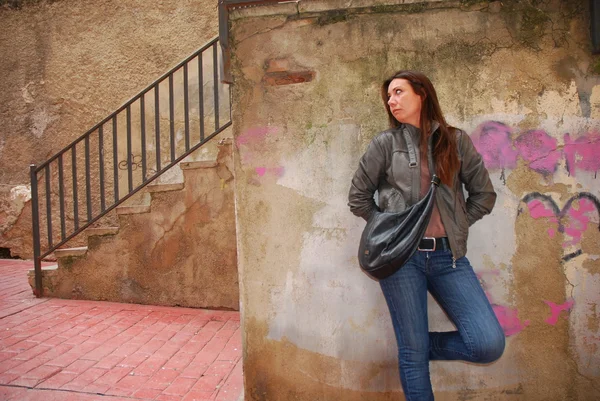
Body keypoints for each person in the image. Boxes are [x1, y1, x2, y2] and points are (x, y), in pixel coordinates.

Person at [348, 70, 505, 401]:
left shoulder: (456, 141)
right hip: (401, 260)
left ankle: (420, 344)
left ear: (422, 94)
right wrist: (389, 231)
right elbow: (358, 198)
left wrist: (457, 223)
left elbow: (484, 196)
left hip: (449, 257)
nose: (391, 100)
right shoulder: (385, 144)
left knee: (487, 343)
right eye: (388, 96)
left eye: (399, 92)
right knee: (413, 358)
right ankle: (414, 347)